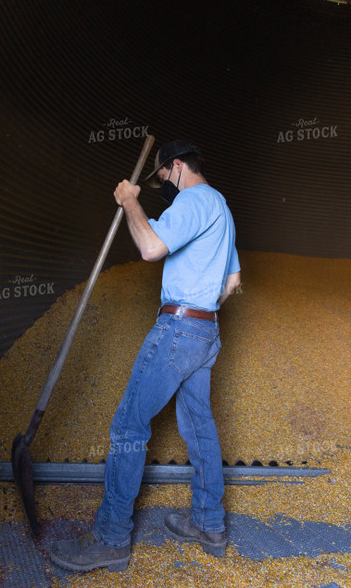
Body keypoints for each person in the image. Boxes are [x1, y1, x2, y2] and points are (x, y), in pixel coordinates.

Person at [50, 139, 241, 573]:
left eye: (162, 179)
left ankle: (110, 538)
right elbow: (232, 282)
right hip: (207, 330)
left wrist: (130, 202)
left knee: (128, 425)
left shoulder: (193, 200)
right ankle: (210, 524)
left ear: (177, 166)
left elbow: (151, 248)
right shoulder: (223, 209)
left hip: (178, 329)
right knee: (201, 429)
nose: (163, 187)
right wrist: (200, 316)